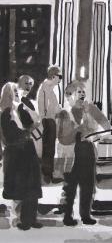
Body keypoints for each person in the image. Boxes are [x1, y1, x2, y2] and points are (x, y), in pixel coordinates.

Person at [57, 80, 111, 226]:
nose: (82, 94)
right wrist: (77, 130)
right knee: (70, 186)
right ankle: (68, 215)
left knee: (88, 185)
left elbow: (107, 126)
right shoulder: (64, 113)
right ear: (69, 95)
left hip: (87, 149)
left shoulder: (91, 108)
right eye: (78, 91)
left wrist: (96, 136)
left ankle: (86, 215)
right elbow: (61, 138)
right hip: (70, 152)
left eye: (83, 91)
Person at [0, 82, 42, 230]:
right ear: (9, 95)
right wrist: (26, 133)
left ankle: (32, 218)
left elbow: (33, 125)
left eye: (18, 93)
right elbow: (8, 136)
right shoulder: (5, 113)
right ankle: (20, 219)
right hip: (15, 154)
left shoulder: (20, 110)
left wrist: (28, 111)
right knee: (19, 189)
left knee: (32, 186)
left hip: (28, 152)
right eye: (15, 93)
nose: (18, 95)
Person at [37, 65, 62, 183]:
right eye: (59, 77)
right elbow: (45, 108)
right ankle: (47, 175)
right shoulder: (46, 88)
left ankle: (48, 175)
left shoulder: (49, 88)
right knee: (48, 149)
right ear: (53, 76)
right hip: (48, 121)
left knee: (49, 149)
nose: (60, 80)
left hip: (49, 120)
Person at [18, 75, 43, 158]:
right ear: (19, 84)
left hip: (36, 136)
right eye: (26, 83)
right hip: (26, 138)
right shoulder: (17, 102)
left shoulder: (30, 101)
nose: (28, 86)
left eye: (30, 84)